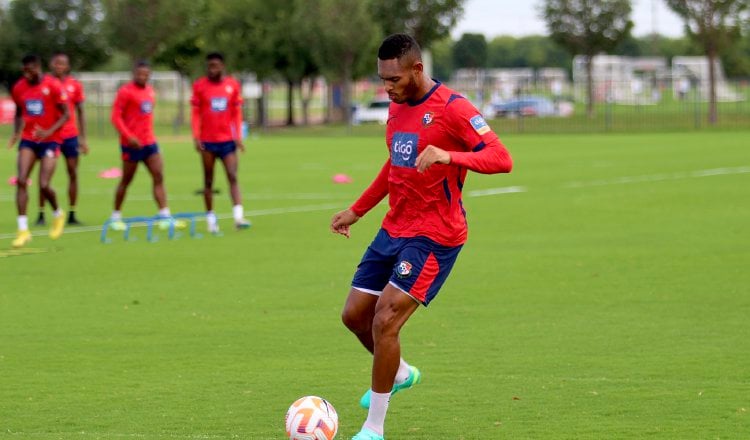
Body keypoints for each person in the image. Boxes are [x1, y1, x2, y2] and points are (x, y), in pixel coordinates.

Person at [330, 34, 513, 440]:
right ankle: (400, 372)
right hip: (395, 227)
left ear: (417, 69)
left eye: (393, 79)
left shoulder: (453, 108)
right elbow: (394, 163)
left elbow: (502, 158)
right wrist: (357, 210)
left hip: (436, 235)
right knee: (354, 316)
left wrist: (452, 156)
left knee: (386, 319)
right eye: (382, 79)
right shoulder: (395, 109)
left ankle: (373, 428)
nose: (387, 88)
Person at [109, 60, 182, 230]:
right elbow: (115, 118)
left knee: (158, 176)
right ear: (133, 74)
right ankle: (115, 216)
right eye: (139, 74)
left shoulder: (150, 91)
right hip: (131, 145)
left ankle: (164, 215)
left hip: (150, 143)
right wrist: (129, 136)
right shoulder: (125, 92)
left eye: (146, 75)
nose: (143, 77)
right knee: (126, 180)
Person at [7, 54, 69, 248]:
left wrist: (49, 131)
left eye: (31, 70)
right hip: (29, 139)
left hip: (50, 141)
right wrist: (16, 132)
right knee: (22, 180)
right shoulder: (19, 87)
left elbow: (66, 114)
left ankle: (58, 214)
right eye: (25, 70)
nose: (28, 74)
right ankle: (23, 230)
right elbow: (18, 112)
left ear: (38, 67)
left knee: (43, 184)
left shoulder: (52, 85)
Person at [190, 52, 251, 234]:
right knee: (208, 180)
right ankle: (210, 219)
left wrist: (238, 136)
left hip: (227, 141)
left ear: (222, 66)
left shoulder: (232, 85)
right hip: (207, 142)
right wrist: (196, 136)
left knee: (232, 176)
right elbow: (195, 113)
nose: (212, 69)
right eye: (209, 66)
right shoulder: (200, 86)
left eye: (215, 65)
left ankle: (239, 217)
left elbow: (236, 113)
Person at [36, 52, 88, 226]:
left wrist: (83, 138)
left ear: (67, 66)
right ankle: (41, 214)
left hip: (70, 135)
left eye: (63, 64)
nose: (59, 66)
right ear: (51, 64)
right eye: (56, 63)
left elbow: (80, 111)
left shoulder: (75, 85)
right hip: (50, 136)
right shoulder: (44, 83)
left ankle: (72, 213)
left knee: (72, 173)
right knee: (44, 176)